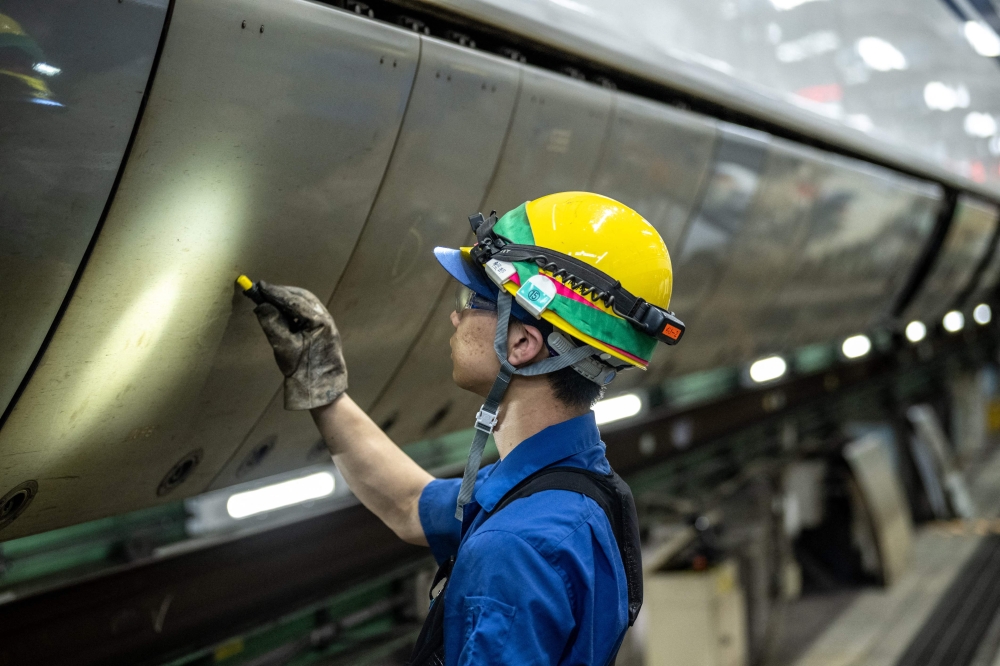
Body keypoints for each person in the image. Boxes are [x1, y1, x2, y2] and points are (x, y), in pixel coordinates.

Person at [249, 191, 683, 665]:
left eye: (473, 299)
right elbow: (410, 505)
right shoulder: (574, 488)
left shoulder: (515, 548)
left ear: (520, 342)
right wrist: (324, 390)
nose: (455, 316)